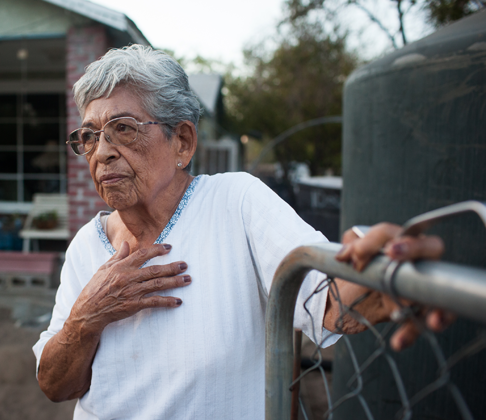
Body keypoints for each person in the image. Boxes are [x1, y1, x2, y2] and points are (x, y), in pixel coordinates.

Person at [32, 45, 445, 419]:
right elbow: (56, 385)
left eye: (122, 128)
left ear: (182, 142)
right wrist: (86, 319)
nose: (101, 151)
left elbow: (328, 297)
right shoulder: (87, 245)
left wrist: (383, 270)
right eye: (88, 136)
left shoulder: (235, 202)